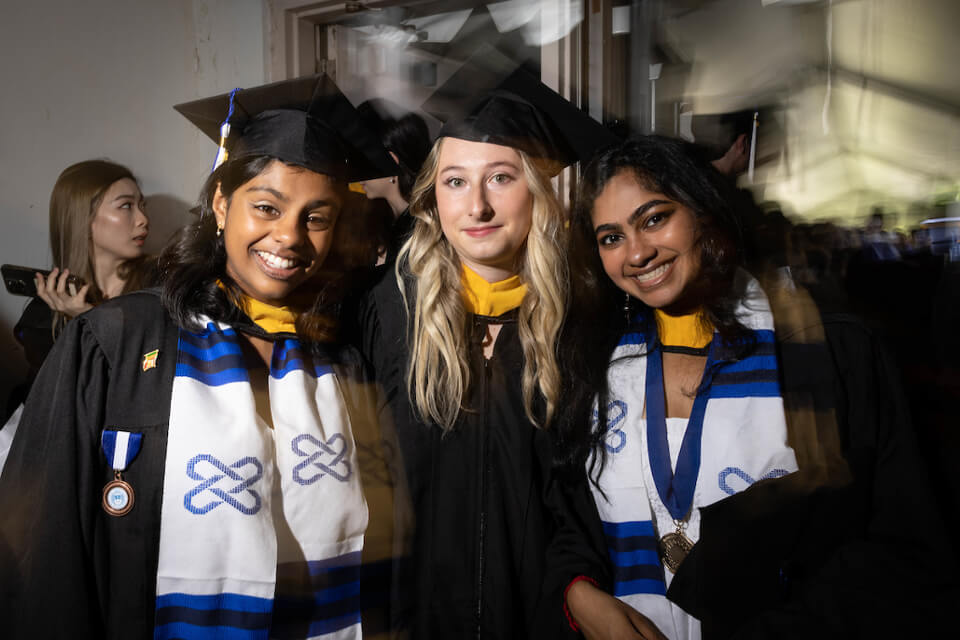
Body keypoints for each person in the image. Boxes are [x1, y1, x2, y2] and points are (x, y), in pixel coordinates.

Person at [0, 73, 404, 639]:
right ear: (220, 203)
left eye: (316, 217)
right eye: (266, 207)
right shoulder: (117, 341)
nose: (289, 237)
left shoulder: (340, 363)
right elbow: (43, 546)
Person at [555, 135, 955, 639]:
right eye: (610, 237)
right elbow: (568, 521)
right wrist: (579, 592)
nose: (636, 253)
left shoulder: (828, 353)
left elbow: (902, 544)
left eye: (654, 218)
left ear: (703, 211)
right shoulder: (596, 364)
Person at [355, 48, 618, 639]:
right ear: (434, 195)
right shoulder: (388, 313)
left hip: (535, 619)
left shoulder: (581, 325)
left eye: (500, 177)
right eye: (455, 181)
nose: (475, 206)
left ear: (539, 190)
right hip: (404, 620)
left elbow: (582, 504)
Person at [12, 159, 152, 398]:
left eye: (142, 205)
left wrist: (91, 320)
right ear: (84, 218)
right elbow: (53, 402)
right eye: (126, 206)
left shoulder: (160, 288)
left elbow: (149, 377)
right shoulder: (45, 313)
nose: (143, 219)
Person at [356, 98, 432, 264]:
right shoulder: (382, 220)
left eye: (363, 161)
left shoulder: (424, 231)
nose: (357, 173)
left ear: (389, 161)